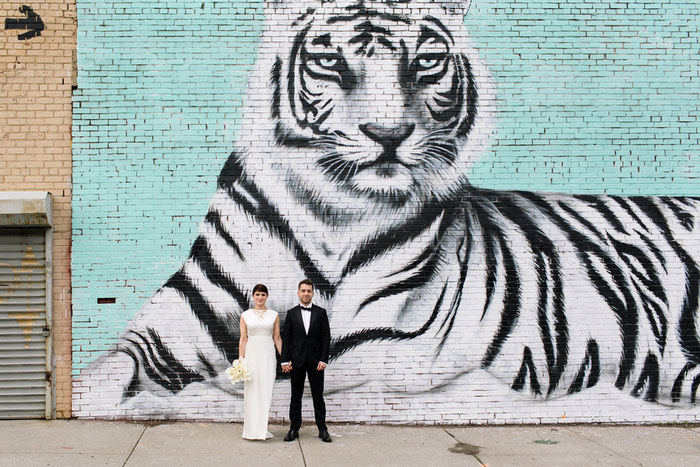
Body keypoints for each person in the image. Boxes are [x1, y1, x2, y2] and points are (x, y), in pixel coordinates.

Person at [281, 279, 332, 443]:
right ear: (298, 293)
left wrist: (324, 359)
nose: (306, 293)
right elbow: (286, 338)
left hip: (317, 362)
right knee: (295, 397)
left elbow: (326, 337)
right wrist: (284, 360)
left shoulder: (321, 312)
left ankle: (322, 429)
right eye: (303, 291)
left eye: (308, 291)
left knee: (318, 397)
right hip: (296, 361)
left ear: (312, 293)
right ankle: (294, 428)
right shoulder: (291, 313)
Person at [238, 284, 282, 440]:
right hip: (251, 355)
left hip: (268, 355)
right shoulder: (245, 315)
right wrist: (241, 360)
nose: (260, 297)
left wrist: (283, 358)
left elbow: (277, 338)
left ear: (267, 296)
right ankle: (251, 430)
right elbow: (243, 339)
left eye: (263, 294)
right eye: (257, 294)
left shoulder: (274, 315)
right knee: (252, 392)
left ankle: (262, 430)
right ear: (253, 296)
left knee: (266, 391)